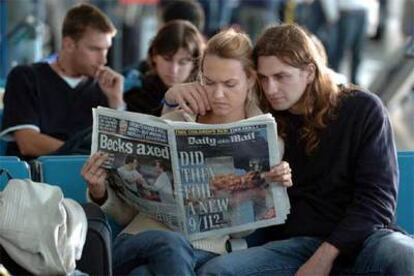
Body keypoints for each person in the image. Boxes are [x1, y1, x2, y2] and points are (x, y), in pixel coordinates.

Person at [165, 23, 414, 275]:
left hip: (365, 241)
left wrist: (324, 258)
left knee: (401, 252)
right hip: (295, 246)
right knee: (217, 271)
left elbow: (377, 202)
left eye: (281, 76)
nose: (271, 89)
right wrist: (173, 94)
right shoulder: (264, 115)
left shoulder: (362, 108)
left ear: (308, 72)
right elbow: (216, 99)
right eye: (264, 78)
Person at [82, 28, 292, 275]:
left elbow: (240, 232)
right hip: (140, 240)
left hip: (205, 252)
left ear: (251, 79)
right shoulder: (175, 120)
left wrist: (264, 187)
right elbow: (128, 212)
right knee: (170, 243)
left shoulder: (266, 140)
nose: (218, 94)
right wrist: (99, 191)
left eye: (229, 84)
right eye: (209, 82)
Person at [0, 3, 124, 160]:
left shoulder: (105, 88)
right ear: (69, 44)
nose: (103, 59)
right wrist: (88, 156)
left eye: (106, 49)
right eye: (94, 49)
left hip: (89, 181)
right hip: (37, 179)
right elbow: (28, 142)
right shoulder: (26, 77)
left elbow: (119, 153)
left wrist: (116, 102)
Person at [123, 20, 204, 116]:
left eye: (183, 62)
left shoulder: (204, 99)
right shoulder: (135, 94)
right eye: (167, 59)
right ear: (154, 56)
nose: (174, 70)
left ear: (194, 64)